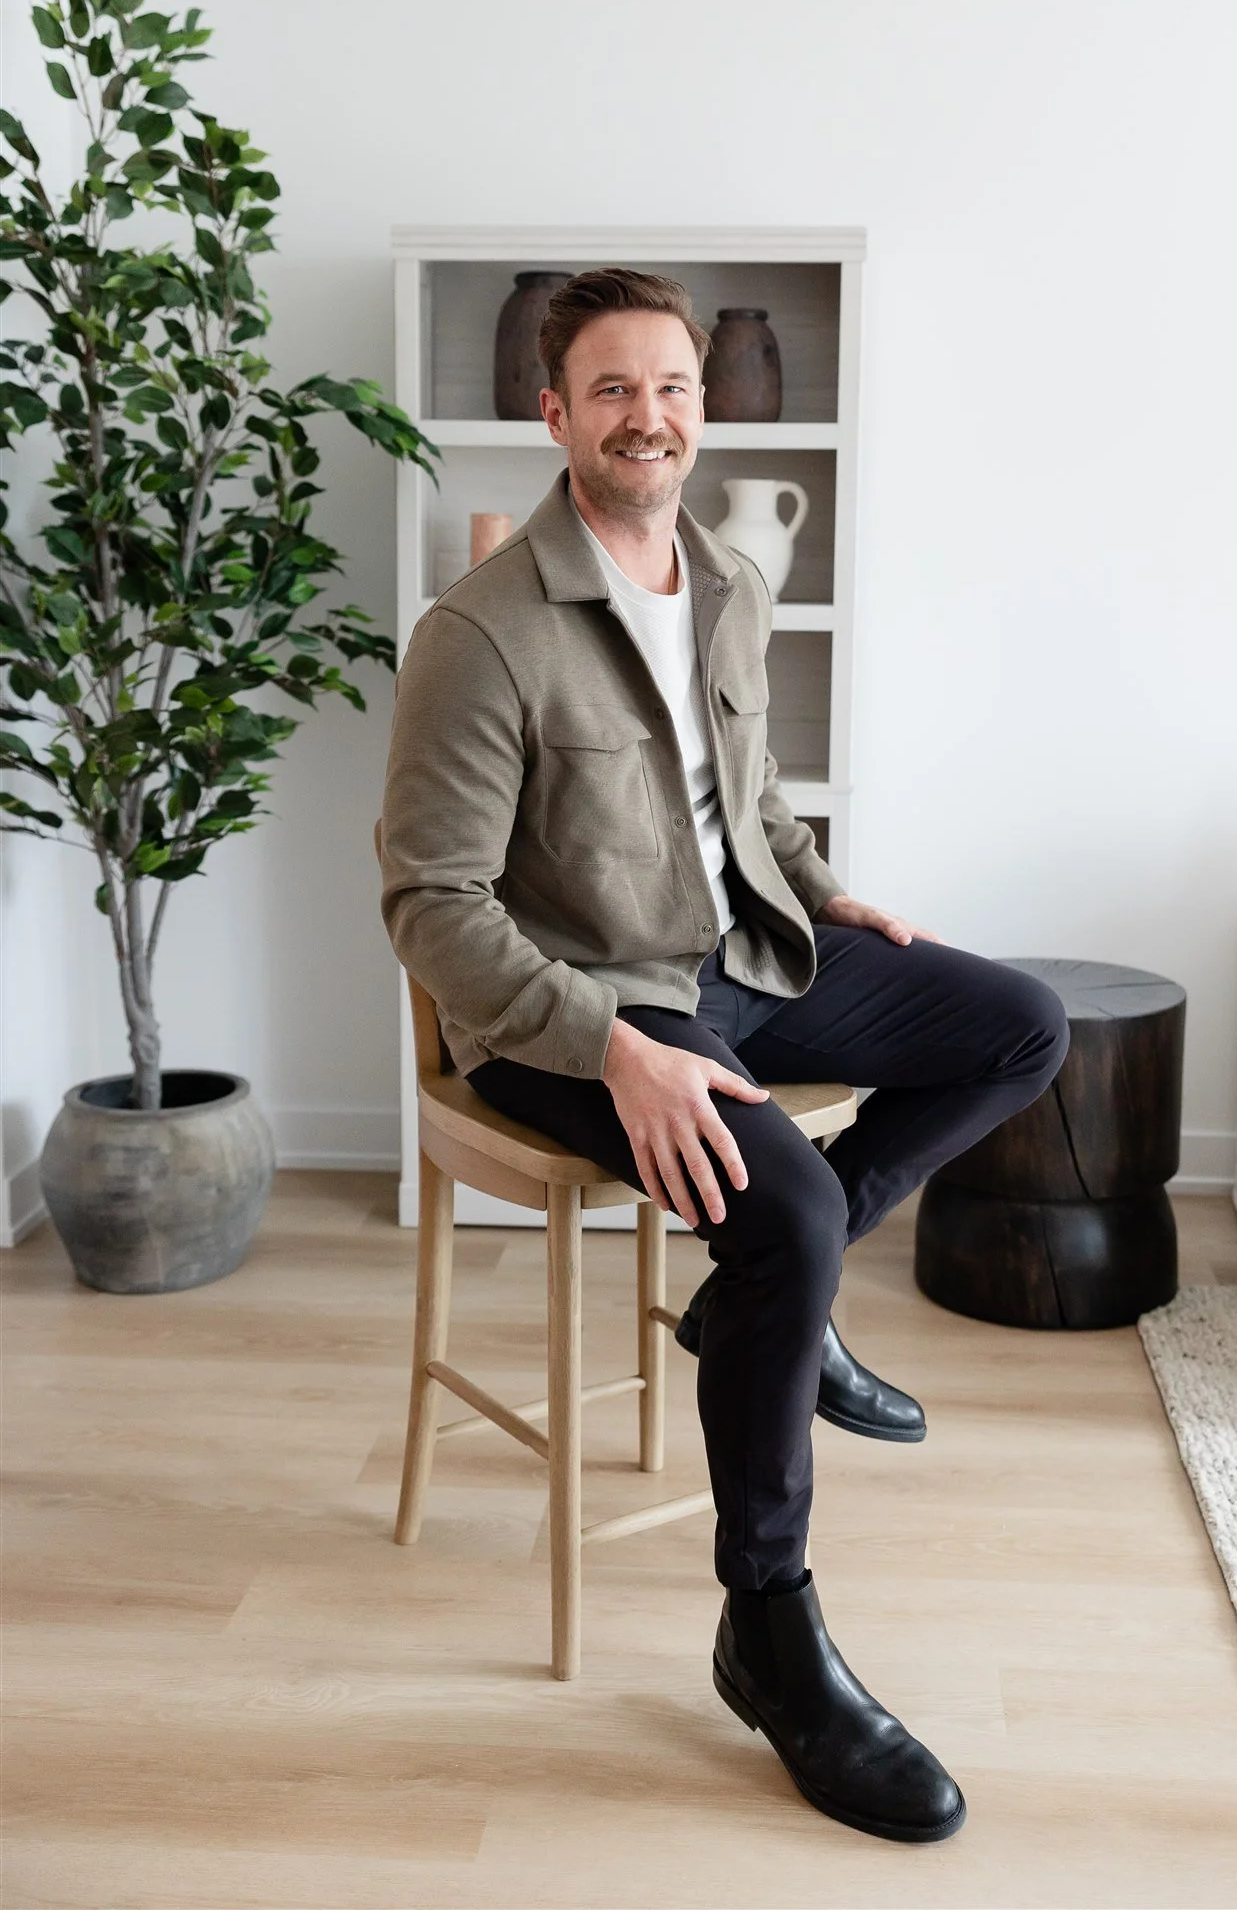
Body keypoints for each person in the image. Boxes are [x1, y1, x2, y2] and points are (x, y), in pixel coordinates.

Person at [379, 266, 1070, 1844]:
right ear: (552, 416)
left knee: (1019, 1025)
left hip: (743, 957)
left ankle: (773, 1307)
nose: (651, 417)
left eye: (674, 387)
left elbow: (746, 798)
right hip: (575, 1011)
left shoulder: (730, 583)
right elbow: (432, 908)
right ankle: (768, 1630)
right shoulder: (478, 638)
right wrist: (614, 1044)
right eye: (613, 389)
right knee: (791, 1216)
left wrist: (825, 894)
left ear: (707, 405)